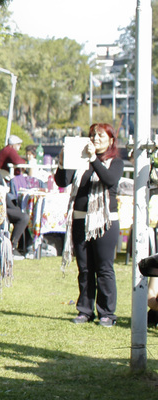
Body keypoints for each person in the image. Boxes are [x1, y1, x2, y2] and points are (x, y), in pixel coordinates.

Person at [55, 123, 124, 325]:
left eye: (101, 136)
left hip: (104, 222)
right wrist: (63, 162)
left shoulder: (115, 162)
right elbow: (62, 182)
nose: (95, 139)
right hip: (80, 219)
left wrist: (94, 159)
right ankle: (85, 310)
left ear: (111, 140)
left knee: (104, 268)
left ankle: (107, 313)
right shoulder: (80, 161)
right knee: (84, 269)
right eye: (93, 135)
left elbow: (109, 180)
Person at [0, 151, 31, 256]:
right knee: (22, 216)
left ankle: (14, 246)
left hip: (2, 206)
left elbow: (4, 193)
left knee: (24, 216)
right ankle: (11, 247)